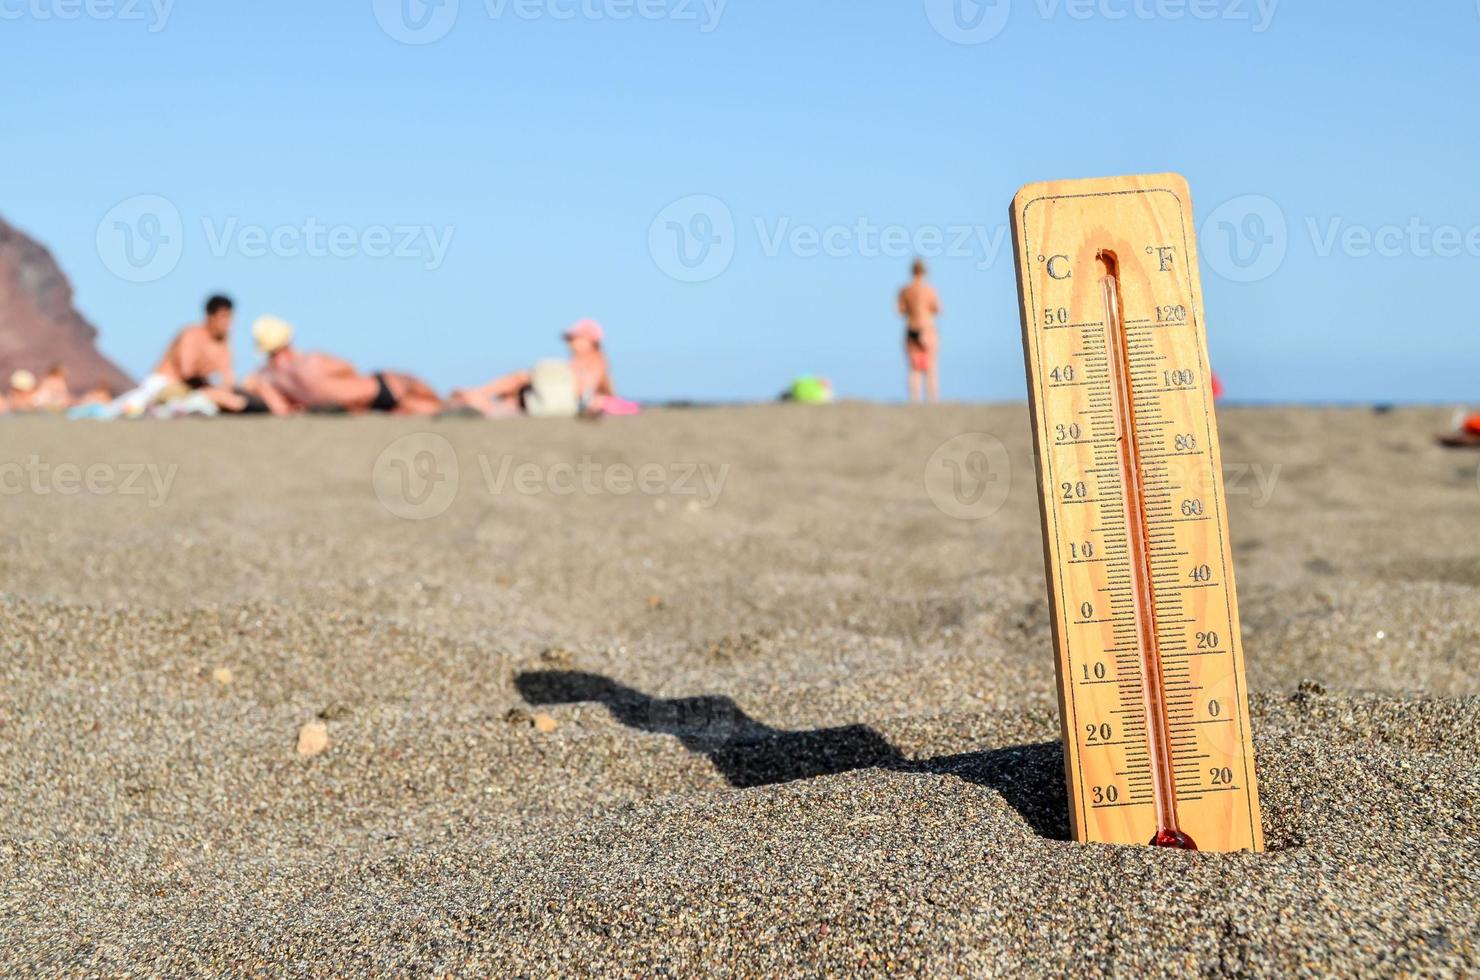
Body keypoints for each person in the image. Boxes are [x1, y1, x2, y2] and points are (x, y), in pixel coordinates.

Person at [245, 315, 443, 416]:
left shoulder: (267, 379)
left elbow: (282, 411)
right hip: (377, 387)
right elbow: (350, 367)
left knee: (421, 409)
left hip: (360, 407)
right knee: (426, 396)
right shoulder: (311, 360)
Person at [451, 319, 622, 418]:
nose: (570, 343)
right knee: (518, 389)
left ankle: (480, 396)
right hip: (555, 397)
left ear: (591, 341)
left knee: (522, 377)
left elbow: (586, 389)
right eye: (569, 339)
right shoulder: (583, 362)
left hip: (563, 400)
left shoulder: (596, 362)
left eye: (573, 338)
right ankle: (482, 402)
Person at [111, 295, 244, 415]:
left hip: (194, 392)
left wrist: (223, 393)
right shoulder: (191, 334)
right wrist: (211, 385)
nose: (228, 323)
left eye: (230, 317)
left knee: (234, 402)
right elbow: (188, 371)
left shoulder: (224, 344)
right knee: (125, 409)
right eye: (224, 317)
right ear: (210, 317)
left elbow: (228, 379)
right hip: (163, 385)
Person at [898, 259, 941, 404]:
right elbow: (937, 309)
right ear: (924, 272)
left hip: (911, 329)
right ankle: (932, 400)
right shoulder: (929, 290)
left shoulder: (905, 290)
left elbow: (901, 310)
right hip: (927, 328)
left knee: (914, 369)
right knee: (930, 367)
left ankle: (915, 401)